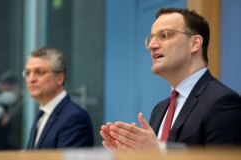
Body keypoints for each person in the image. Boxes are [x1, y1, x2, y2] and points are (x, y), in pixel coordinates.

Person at [100, 8, 241, 151]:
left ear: (195, 43)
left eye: (164, 35)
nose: (151, 45)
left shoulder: (223, 102)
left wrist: (158, 153)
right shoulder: (160, 109)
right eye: (151, 38)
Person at [24, 47, 94, 149]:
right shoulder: (42, 115)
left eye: (40, 72)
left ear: (60, 78)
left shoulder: (74, 118)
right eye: (27, 73)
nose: (31, 79)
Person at [0, 71, 22, 150]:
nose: (6, 95)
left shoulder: (25, 108)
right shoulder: (1, 106)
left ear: (17, 88)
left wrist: (10, 119)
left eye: (8, 90)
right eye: (3, 91)